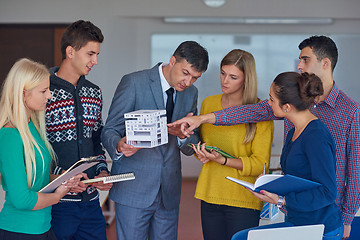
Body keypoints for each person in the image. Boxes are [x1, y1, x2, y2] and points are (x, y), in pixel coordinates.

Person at [170, 36, 360, 239]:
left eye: (305, 59)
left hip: (325, 218)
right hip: (297, 217)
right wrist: (203, 118)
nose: (299, 65)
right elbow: (248, 112)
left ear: (325, 63)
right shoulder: (294, 110)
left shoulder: (346, 114)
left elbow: (354, 171)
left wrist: (347, 218)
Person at [101, 41, 209, 240]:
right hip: (134, 187)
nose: (188, 82)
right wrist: (118, 145)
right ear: (172, 60)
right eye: (185, 73)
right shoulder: (133, 82)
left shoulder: (191, 93)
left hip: (169, 190)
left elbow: (192, 142)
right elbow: (109, 129)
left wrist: (182, 137)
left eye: (195, 78)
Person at [231, 71, 343, 239]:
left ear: (287, 107)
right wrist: (270, 183)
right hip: (299, 222)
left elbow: (328, 192)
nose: (268, 104)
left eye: (271, 99)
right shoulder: (293, 132)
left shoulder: (316, 137)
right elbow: (300, 176)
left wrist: (281, 200)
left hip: (321, 228)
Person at [189, 49, 274, 240]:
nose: (225, 81)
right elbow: (202, 144)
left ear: (246, 79)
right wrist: (200, 153)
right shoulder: (208, 104)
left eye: (233, 77)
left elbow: (260, 164)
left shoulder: (261, 112)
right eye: (223, 73)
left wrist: (223, 160)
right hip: (210, 193)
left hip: (243, 199)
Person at [0, 58, 83, 240]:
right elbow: (22, 200)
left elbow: (38, 178)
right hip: (19, 231)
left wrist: (66, 180)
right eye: (44, 91)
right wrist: (58, 195)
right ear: (23, 94)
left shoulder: (32, 127)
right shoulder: (9, 136)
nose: (50, 96)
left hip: (43, 227)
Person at [45, 20, 112, 240]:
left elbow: (96, 139)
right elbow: (33, 146)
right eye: (91, 54)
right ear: (70, 51)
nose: (96, 61)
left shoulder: (94, 92)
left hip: (91, 204)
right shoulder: (42, 91)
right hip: (55, 203)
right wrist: (57, 179)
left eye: (97, 55)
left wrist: (102, 170)